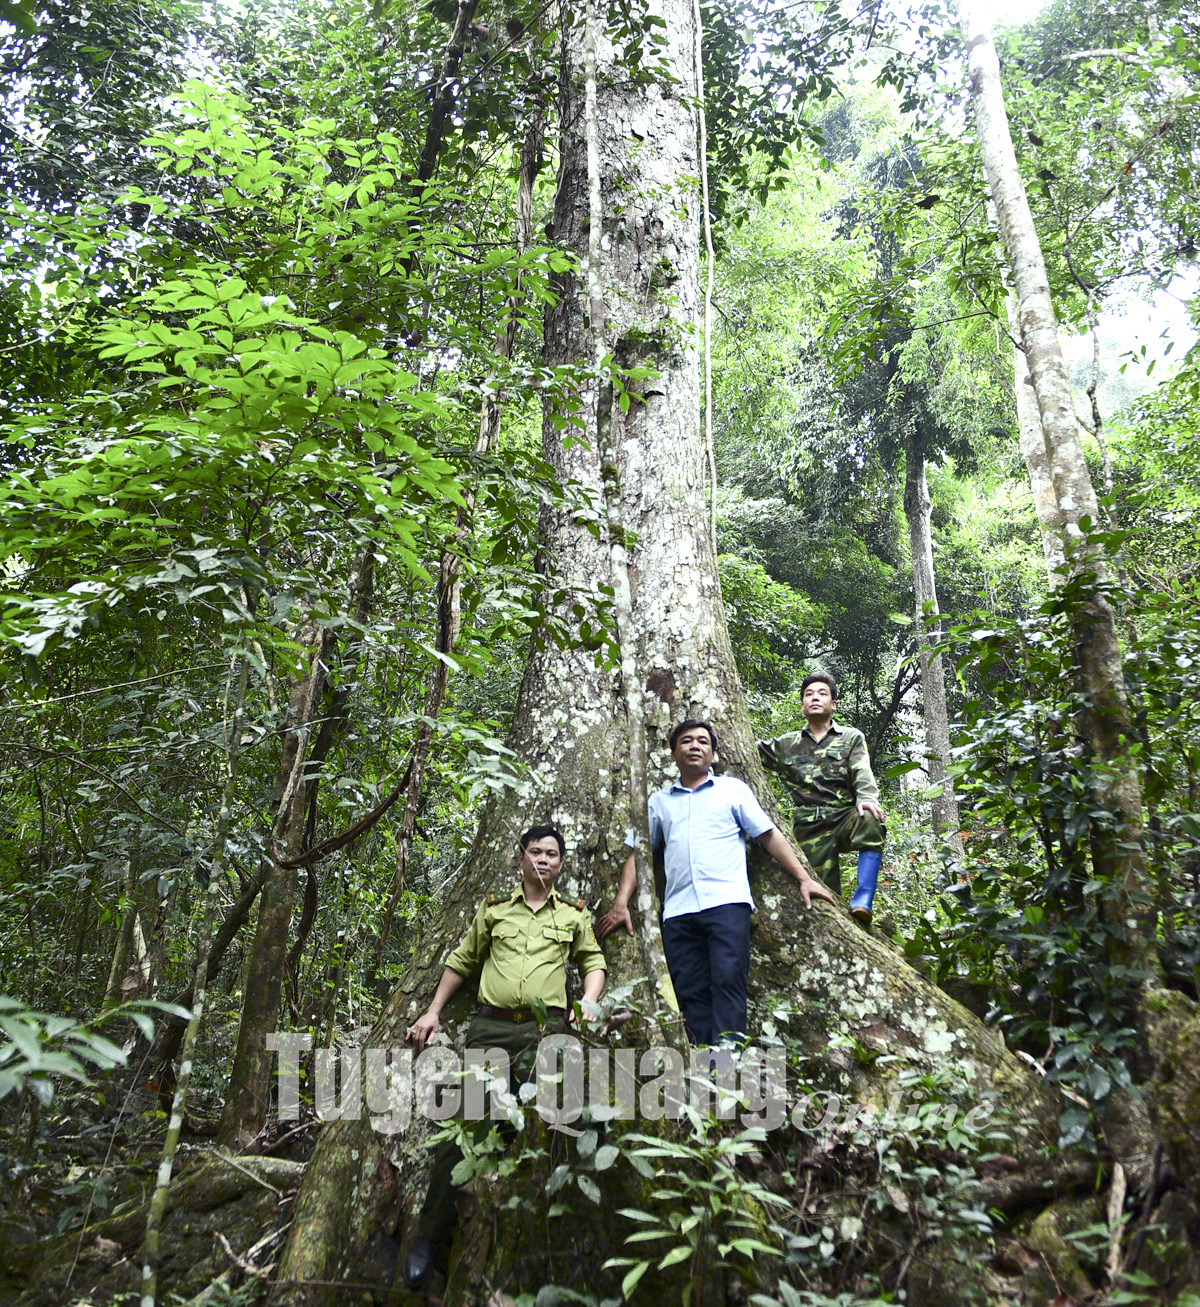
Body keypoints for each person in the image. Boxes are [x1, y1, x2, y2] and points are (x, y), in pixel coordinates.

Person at [401, 825, 607, 1289]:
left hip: (547, 1031)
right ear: (521, 858)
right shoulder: (495, 909)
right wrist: (433, 1011)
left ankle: (557, 1253)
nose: (545, 860)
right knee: (462, 1129)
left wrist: (586, 1006)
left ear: (560, 863)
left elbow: (593, 963)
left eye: (553, 854)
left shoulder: (573, 915)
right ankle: (428, 1242)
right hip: (490, 1027)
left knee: (558, 1126)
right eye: (536, 852)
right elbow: (462, 959)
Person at [598, 720, 833, 1047]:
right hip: (679, 911)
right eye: (686, 741)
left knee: (728, 982)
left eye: (702, 742)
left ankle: (727, 1063)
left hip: (726, 904)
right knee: (689, 989)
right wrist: (621, 903)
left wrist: (804, 878)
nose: (695, 746)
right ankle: (702, 1060)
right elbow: (639, 853)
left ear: (713, 753)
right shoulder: (659, 802)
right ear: (673, 753)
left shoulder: (732, 790)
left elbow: (767, 835)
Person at [758, 672, 886, 927]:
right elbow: (745, 750)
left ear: (833, 704)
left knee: (871, 818)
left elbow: (862, 771)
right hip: (809, 826)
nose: (815, 698)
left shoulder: (851, 737)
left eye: (822, 693)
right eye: (809, 694)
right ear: (803, 704)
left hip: (843, 817)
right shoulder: (787, 744)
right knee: (823, 894)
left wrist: (867, 798)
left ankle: (863, 901)